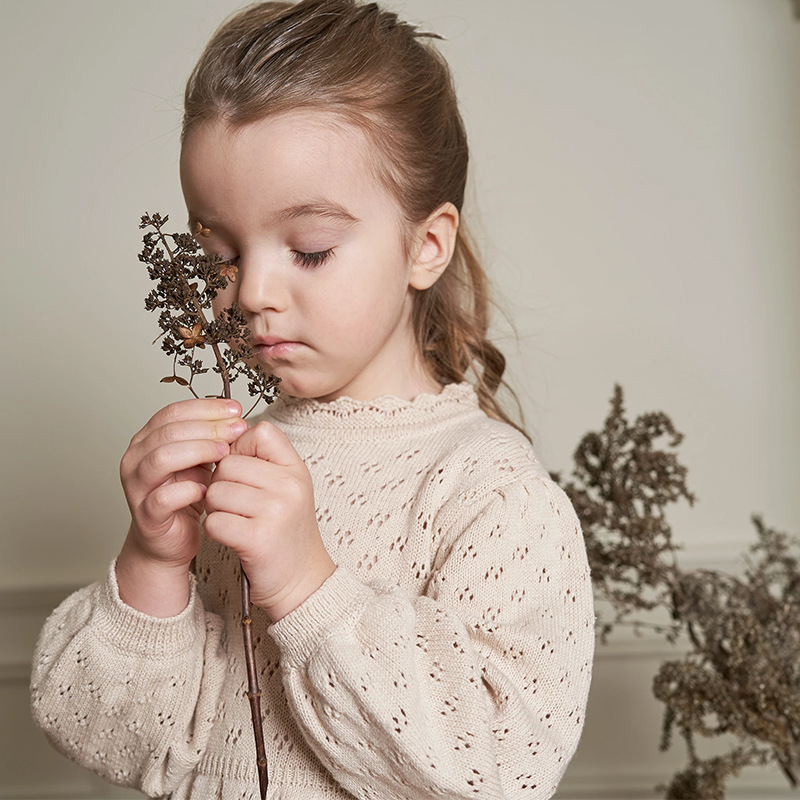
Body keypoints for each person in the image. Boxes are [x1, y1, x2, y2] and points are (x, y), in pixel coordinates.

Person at [30, 1, 594, 798]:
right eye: (219, 251)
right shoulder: (241, 458)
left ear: (425, 246)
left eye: (310, 250)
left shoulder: (491, 495)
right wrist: (154, 564)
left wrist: (307, 587)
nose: (252, 290)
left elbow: (498, 770)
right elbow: (108, 738)